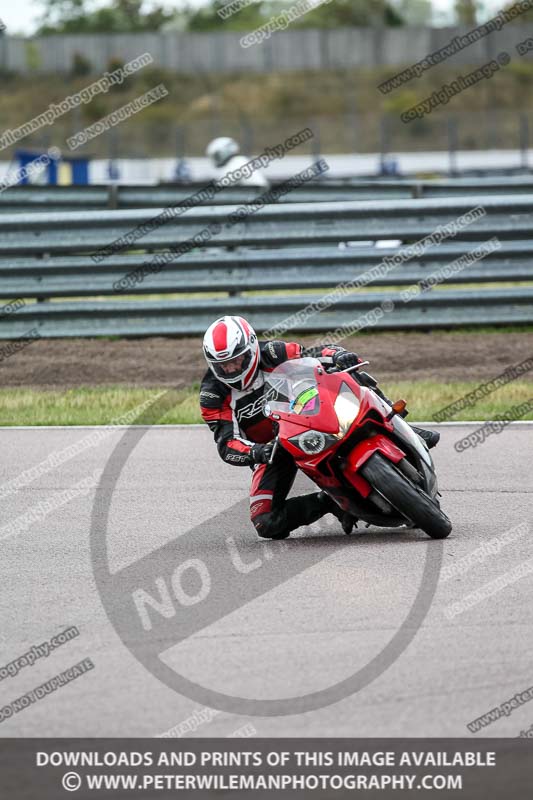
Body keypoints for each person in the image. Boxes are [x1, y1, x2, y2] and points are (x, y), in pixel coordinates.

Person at [200, 315, 439, 540]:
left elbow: (313, 354)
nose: (231, 369)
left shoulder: (271, 352)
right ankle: (331, 502)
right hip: (273, 448)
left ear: (251, 349)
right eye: (223, 365)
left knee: (352, 375)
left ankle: (401, 425)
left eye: (236, 360)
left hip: (307, 413)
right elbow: (227, 443)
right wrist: (256, 452)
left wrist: (338, 355)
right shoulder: (213, 394)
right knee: (265, 521)